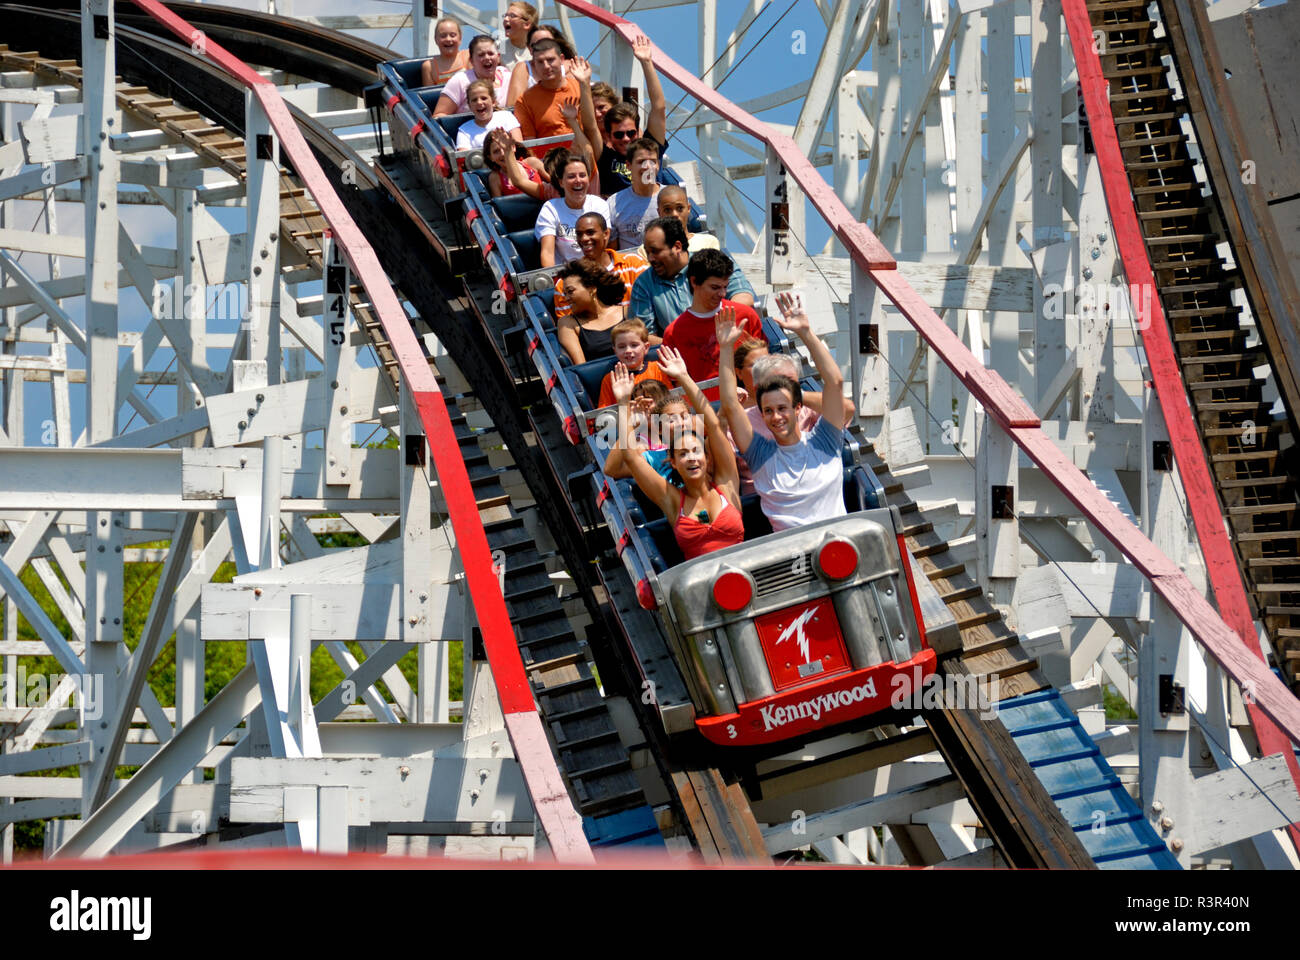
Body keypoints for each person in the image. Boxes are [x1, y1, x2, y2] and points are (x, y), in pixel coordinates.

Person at [719, 293, 848, 532]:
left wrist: (805, 333)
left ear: (797, 407)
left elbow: (835, 383)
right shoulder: (760, 454)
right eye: (768, 411)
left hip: (839, 541)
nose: (776, 417)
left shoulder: (825, 440)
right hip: (795, 551)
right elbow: (729, 403)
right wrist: (726, 347)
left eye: (781, 408)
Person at [612, 347, 744, 561]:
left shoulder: (727, 484)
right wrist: (624, 403)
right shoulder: (672, 501)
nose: (691, 457)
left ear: (707, 457)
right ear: (673, 462)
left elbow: (713, 424)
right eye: (683, 454)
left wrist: (683, 377)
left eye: (695, 451)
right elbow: (631, 457)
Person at [659, 248, 766, 394]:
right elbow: (678, 387)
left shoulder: (745, 315)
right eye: (715, 287)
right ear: (694, 282)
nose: (722, 294)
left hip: (748, 406)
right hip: (704, 411)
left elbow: (764, 367)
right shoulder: (674, 332)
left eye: (725, 287)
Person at [630, 218, 755, 334]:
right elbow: (644, 336)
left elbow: (744, 298)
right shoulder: (643, 284)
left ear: (677, 247)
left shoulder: (714, 262)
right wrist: (685, 344)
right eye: (647, 252)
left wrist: (712, 331)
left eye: (655, 251)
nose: (650, 258)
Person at [591, 34, 668, 196]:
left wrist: (646, 62)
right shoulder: (606, 157)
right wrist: (583, 86)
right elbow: (590, 124)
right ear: (610, 136)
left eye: (631, 133)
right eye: (619, 134)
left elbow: (659, 107)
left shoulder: (649, 146)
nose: (626, 138)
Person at [552, 212, 648, 322]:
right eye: (579, 234)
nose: (584, 239)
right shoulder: (564, 284)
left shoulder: (634, 264)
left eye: (590, 232)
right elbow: (570, 326)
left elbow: (648, 306)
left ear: (606, 234)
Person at [536, 152, 610, 267]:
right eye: (571, 176)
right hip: (566, 275)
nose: (578, 180)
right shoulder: (550, 208)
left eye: (582, 175)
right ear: (561, 182)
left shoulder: (599, 204)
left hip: (596, 270)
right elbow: (547, 253)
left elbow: (604, 246)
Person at [515, 39, 584, 155]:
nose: (546, 66)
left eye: (550, 60)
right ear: (534, 65)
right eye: (540, 62)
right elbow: (530, 146)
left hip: (584, 160)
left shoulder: (580, 88)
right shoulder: (525, 101)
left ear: (561, 59)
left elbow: (593, 130)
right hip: (549, 163)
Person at [554, 258, 627, 364]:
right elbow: (581, 368)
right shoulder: (567, 324)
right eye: (565, 293)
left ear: (592, 288)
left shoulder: (626, 312)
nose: (566, 298)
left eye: (570, 291)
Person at [597, 319, 673, 407]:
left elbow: (669, 400)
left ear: (646, 347)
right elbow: (605, 414)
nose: (628, 350)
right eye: (622, 347)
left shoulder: (658, 368)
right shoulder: (611, 380)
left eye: (634, 345)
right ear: (615, 351)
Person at [606, 137, 663, 250]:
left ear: (658, 165)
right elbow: (613, 251)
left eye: (652, 161)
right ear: (628, 166)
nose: (647, 167)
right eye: (641, 162)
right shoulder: (614, 203)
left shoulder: (672, 197)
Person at [434, 36, 512, 115]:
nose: (487, 58)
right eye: (481, 55)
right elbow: (439, 115)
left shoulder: (507, 75)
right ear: (471, 61)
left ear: (498, 57)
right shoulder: (459, 81)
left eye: (491, 53)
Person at [506, 24, 577, 105]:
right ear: (529, 49)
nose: (542, 47)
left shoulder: (571, 67)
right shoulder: (524, 68)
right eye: (536, 45)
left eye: (547, 43)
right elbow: (513, 105)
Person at [483, 128, 553, 199]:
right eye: (496, 151)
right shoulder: (495, 178)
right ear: (490, 157)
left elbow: (558, 183)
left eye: (505, 148)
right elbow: (498, 206)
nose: (503, 153)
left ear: (513, 147)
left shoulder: (532, 163)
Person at [454, 80, 521, 150]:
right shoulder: (465, 130)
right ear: (469, 105)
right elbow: (464, 157)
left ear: (493, 102)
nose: (479, 102)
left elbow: (518, 145)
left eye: (484, 98)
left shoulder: (506, 117)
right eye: (474, 100)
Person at [420, 18, 470, 87]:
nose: (448, 39)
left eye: (452, 35)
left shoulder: (469, 56)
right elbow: (429, 96)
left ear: (460, 38)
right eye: (443, 36)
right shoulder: (429, 67)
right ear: (435, 39)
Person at [498, 1, 537, 68]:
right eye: (505, 15)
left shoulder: (539, 51)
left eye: (512, 16)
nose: (505, 19)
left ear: (527, 24)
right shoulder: (497, 49)